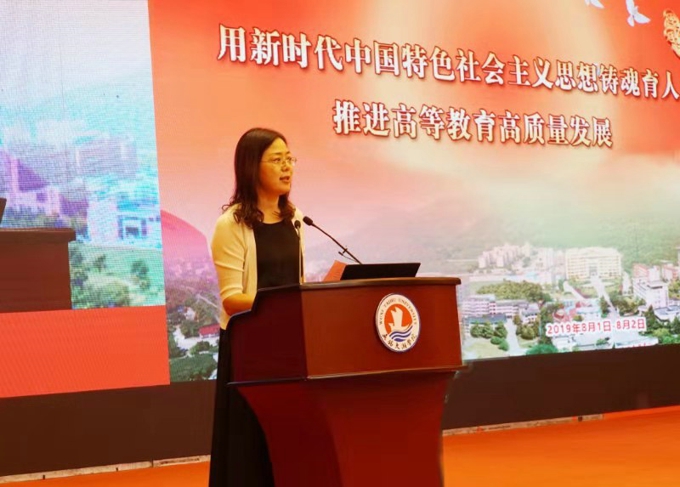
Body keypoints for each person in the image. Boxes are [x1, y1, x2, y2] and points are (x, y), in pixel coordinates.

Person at [208, 127, 304, 487]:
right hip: (250, 349)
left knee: (288, 442)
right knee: (249, 447)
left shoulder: (296, 219)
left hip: (290, 347)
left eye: (289, 159)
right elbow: (232, 299)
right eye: (277, 160)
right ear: (251, 166)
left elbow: (298, 282)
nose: (287, 167)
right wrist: (284, 304)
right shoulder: (232, 224)